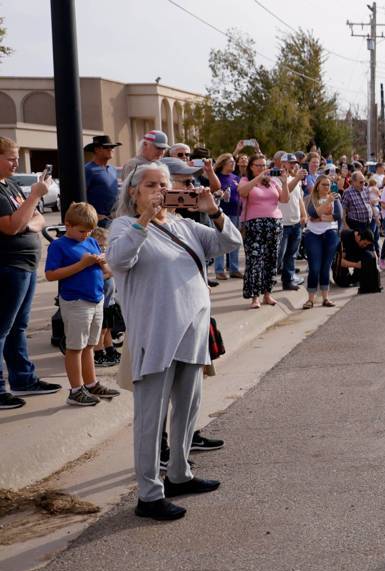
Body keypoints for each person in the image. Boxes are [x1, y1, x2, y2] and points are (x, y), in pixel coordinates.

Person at [107, 161, 242, 521]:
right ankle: (149, 494)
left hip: (192, 332)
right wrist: (145, 221)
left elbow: (229, 242)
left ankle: (179, 474)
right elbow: (119, 259)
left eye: (164, 184)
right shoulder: (124, 226)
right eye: (150, 184)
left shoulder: (185, 224)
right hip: (156, 334)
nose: (159, 190)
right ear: (133, 191)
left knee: (188, 406)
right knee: (151, 417)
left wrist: (213, 211)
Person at [0, 137, 63, 409]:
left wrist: (28, 218)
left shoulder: (10, 185)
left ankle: (24, 379)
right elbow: (12, 226)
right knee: (2, 328)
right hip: (7, 266)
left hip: (23, 266)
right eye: (11, 158)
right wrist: (35, 195)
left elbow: (36, 218)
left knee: (18, 327)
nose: (16, 163)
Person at [43, 202, 121, 406]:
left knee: (89, 345)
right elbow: (51, 275)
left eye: (89, 231)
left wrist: (103, 262)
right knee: (75, 347)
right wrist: (82, 264)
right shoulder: (59, 245)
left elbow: (106, 272)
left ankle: (91, 382)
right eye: (81, 231)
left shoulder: (92, 242)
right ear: (67, 225)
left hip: (96, 298)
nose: (86, 235)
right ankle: (76, 389)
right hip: (76, 301)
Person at [238, 154, 289, 309]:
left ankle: (267, 293)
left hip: (274, 223)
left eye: (264, 165)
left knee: (271, 259)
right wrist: (258, 178)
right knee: (255, 261)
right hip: (254, 225)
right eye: (258, 165)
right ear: (251, 167)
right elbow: (243, 192)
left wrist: (285, 183)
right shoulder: (246, 180)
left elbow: (284, 199)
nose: (262, 168)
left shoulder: (272, 182)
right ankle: (255, 297)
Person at [302, 175, 340, 308]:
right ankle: (310, 299)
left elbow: (338, 216)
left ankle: (325, 298)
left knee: (326, 267)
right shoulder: (311, 198)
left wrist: (321, 217)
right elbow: (312, 214)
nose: (326, 187)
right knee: (315, 267)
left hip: (330, 234)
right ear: (318, 185)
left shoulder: (335, 198)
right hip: (313, 235)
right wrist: (326, 203)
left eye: (328, 185)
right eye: (323, 184)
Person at [88, 226, 121, 368]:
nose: (103, 249)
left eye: (104, 246)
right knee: (100, 331)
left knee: (108, 329)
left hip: (109, 302)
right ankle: (98, 353)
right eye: (100, 246)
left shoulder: (105, 259)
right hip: (101, 303)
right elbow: (100, 277)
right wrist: (110, 272)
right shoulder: (96, 261)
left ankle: (110, 349)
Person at [276, 153, 307, 291]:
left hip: (295, 222)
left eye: (294, 163)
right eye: (290, 163)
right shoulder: (275, 179)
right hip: (282, 223)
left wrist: (304, 214)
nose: (293, 165)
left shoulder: (296, 179)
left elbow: (299, 198)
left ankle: (288, 280)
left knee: (291, 254)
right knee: (278, 255)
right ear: (282, 164)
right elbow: (285, 192)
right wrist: (297, 178)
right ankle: (267, 281)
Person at [212, 152, 243, 279]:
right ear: (223, 163)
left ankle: (234, 269)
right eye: (231, 162)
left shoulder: (236, 178)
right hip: (221, 213)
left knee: (234, 240)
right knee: (220, 240)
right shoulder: (216, 177)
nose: (234, 164)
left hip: (236, 213)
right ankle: (219, 270)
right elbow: (212, 193)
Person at [83, 134, 122, 228]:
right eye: (106, 147)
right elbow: (80, 196)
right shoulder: (88, 169)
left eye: (112, 147)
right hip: (97, 222)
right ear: (96, 150)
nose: (111, 149)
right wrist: (94, 215)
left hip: (114, 219)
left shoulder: (113, 169)